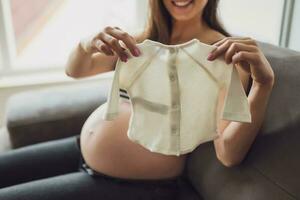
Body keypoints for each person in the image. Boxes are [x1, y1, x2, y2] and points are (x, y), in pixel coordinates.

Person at [0, 0, 275, 199]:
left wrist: (263, 85)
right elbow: (76, 69)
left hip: (130, 182)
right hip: (79, 148)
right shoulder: (142, 39)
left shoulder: (222, 56)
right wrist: (86, 44)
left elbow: (228, 153)